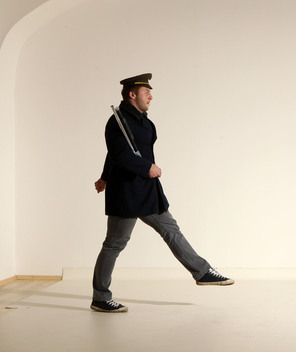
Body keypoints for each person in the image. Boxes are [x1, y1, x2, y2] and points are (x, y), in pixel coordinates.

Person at [91, 73, 234, 313]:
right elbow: (117, 154)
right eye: (146, 92)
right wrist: (145, 168)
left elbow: (118, 152)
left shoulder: (145, 121)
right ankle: (100, 297)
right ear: (132, 94)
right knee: (115, 244)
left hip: (147, 190)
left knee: (171, 230)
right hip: (126, 192)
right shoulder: (117, 121)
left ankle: (202, 272)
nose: (151, 96)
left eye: (150, 92)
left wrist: (105, 175)